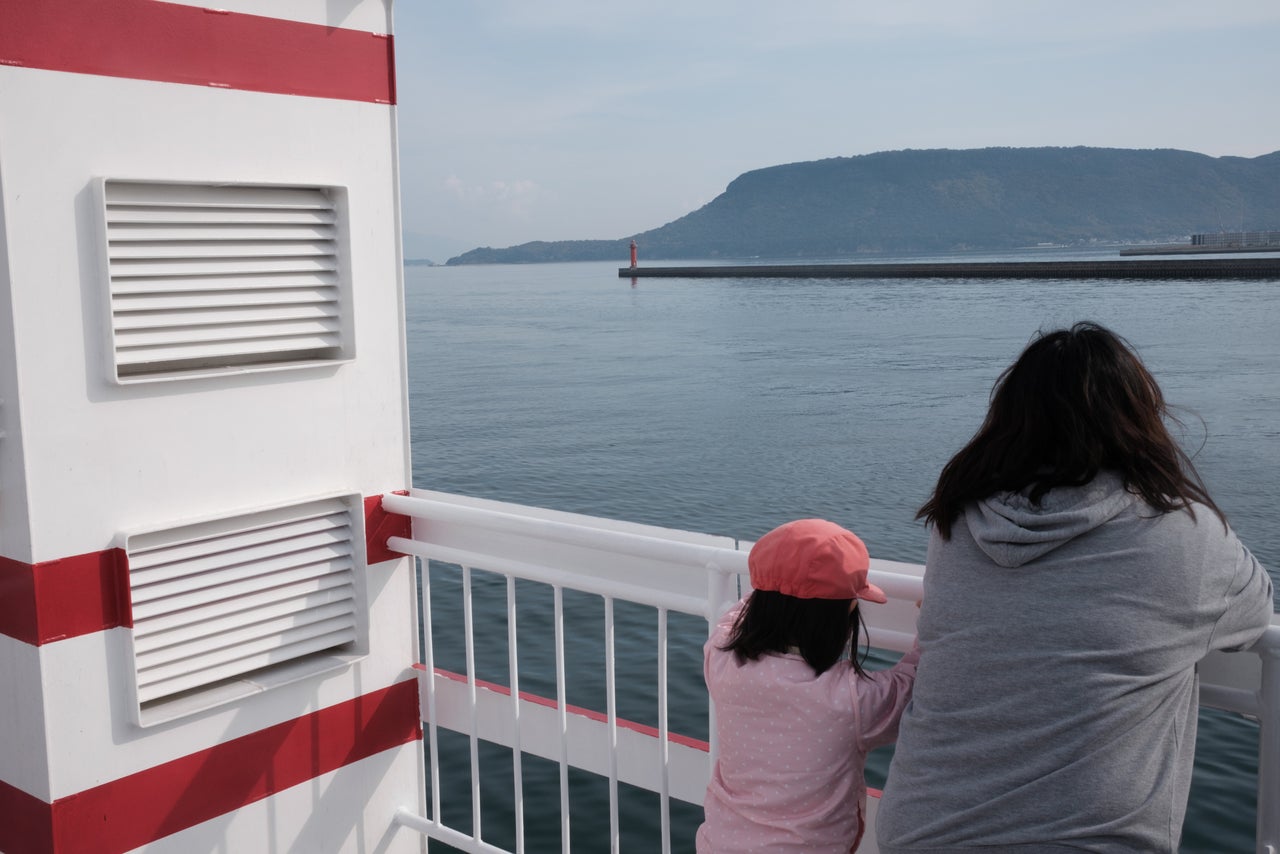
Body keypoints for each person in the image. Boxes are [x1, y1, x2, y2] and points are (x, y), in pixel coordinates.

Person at [876, 322, 1274, 853]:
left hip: (919, 833)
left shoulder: (958, 524)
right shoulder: (1183, 536)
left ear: (1009, 420)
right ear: (1138, 419)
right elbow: (1253, 611)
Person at [697, 518, 919, 853]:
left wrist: (776, 579)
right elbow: (913, 682)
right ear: (836, 622)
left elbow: (735, 618)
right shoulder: (850, 700)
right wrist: (932, 621)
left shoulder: (723, 659)